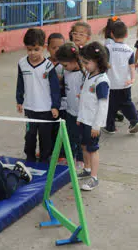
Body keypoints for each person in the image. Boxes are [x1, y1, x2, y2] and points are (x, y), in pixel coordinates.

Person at [16, 28, 61, 163]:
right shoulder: (22, 63)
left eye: (36, 49)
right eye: (29, 49)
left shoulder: (48, 66)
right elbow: (20, 83)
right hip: (30, 108)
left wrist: (55, 106)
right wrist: (19, 100)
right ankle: (29, 157)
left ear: (43, 48)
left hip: (46, 109)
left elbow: (55, 89)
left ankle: (44, 159)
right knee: (30, 135)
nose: (32, 53)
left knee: (45, 137)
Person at [76, 42, 110, 191]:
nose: (84, 66)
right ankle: (87, 169)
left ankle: (94, 178)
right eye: (83, 62)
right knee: (84, 146)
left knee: (92, 149)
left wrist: (97, 125)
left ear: (98, 61)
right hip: (84, 120)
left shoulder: (101, 81)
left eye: (87, 62)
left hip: (93, 123)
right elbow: (85, 99)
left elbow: (103, 105)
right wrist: (80, 117)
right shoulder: (90, 75)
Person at [104, 21, 138, 135]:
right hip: (125, 83)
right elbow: (132, 66)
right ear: (126, 35)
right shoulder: (129, 50)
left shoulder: (108, 48)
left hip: (111, 83)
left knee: (110, 105)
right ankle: (135, 120)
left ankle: (110, 127)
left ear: (111, 34)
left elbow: (104, 64)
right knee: (127, 103)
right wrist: (132, 79)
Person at [56, 43, 86, 168]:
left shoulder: (84, 74)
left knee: (81, 139)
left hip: (82, 114)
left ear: (74, 61)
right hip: (70, 111)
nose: (64, 68)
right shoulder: (67, 72)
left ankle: (81, 159)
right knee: (71, 136)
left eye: (65, 65)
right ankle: (71, 158)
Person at [47, 33, 67, 155]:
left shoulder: (66, 65)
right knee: (47, 129)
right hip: (46, 103)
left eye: (60, 48)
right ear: (47, 48)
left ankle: (62, 154)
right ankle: (48, 151)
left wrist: (61, 81)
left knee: (61, 129)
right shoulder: (44, 63)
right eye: (54, 48)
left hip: (63, 104)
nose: (57, 51)